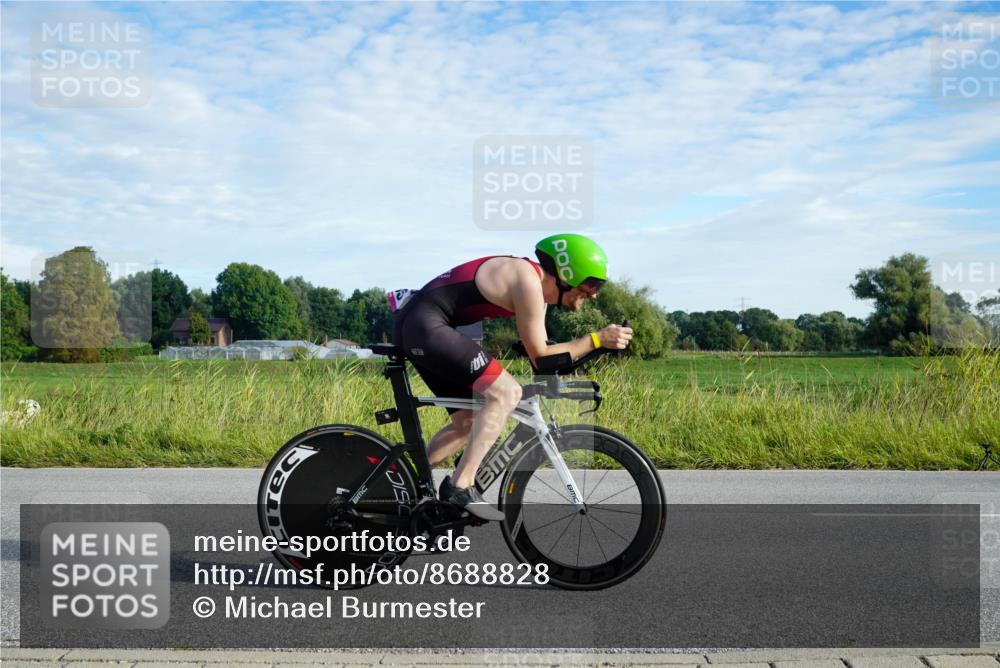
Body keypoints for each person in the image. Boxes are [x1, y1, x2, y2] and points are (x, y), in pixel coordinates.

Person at [392, 233, 633, 520]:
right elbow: (542, 356)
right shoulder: (527, 281)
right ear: (567, 273)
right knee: (506, 393)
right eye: (592, 283)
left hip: (421, 324)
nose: (594, 293)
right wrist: (596, 339)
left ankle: (397, 484)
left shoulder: (537, 292)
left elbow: (542, 360)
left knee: (467, 422)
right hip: (426, 325)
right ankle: (460, 485)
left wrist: (586, 357)